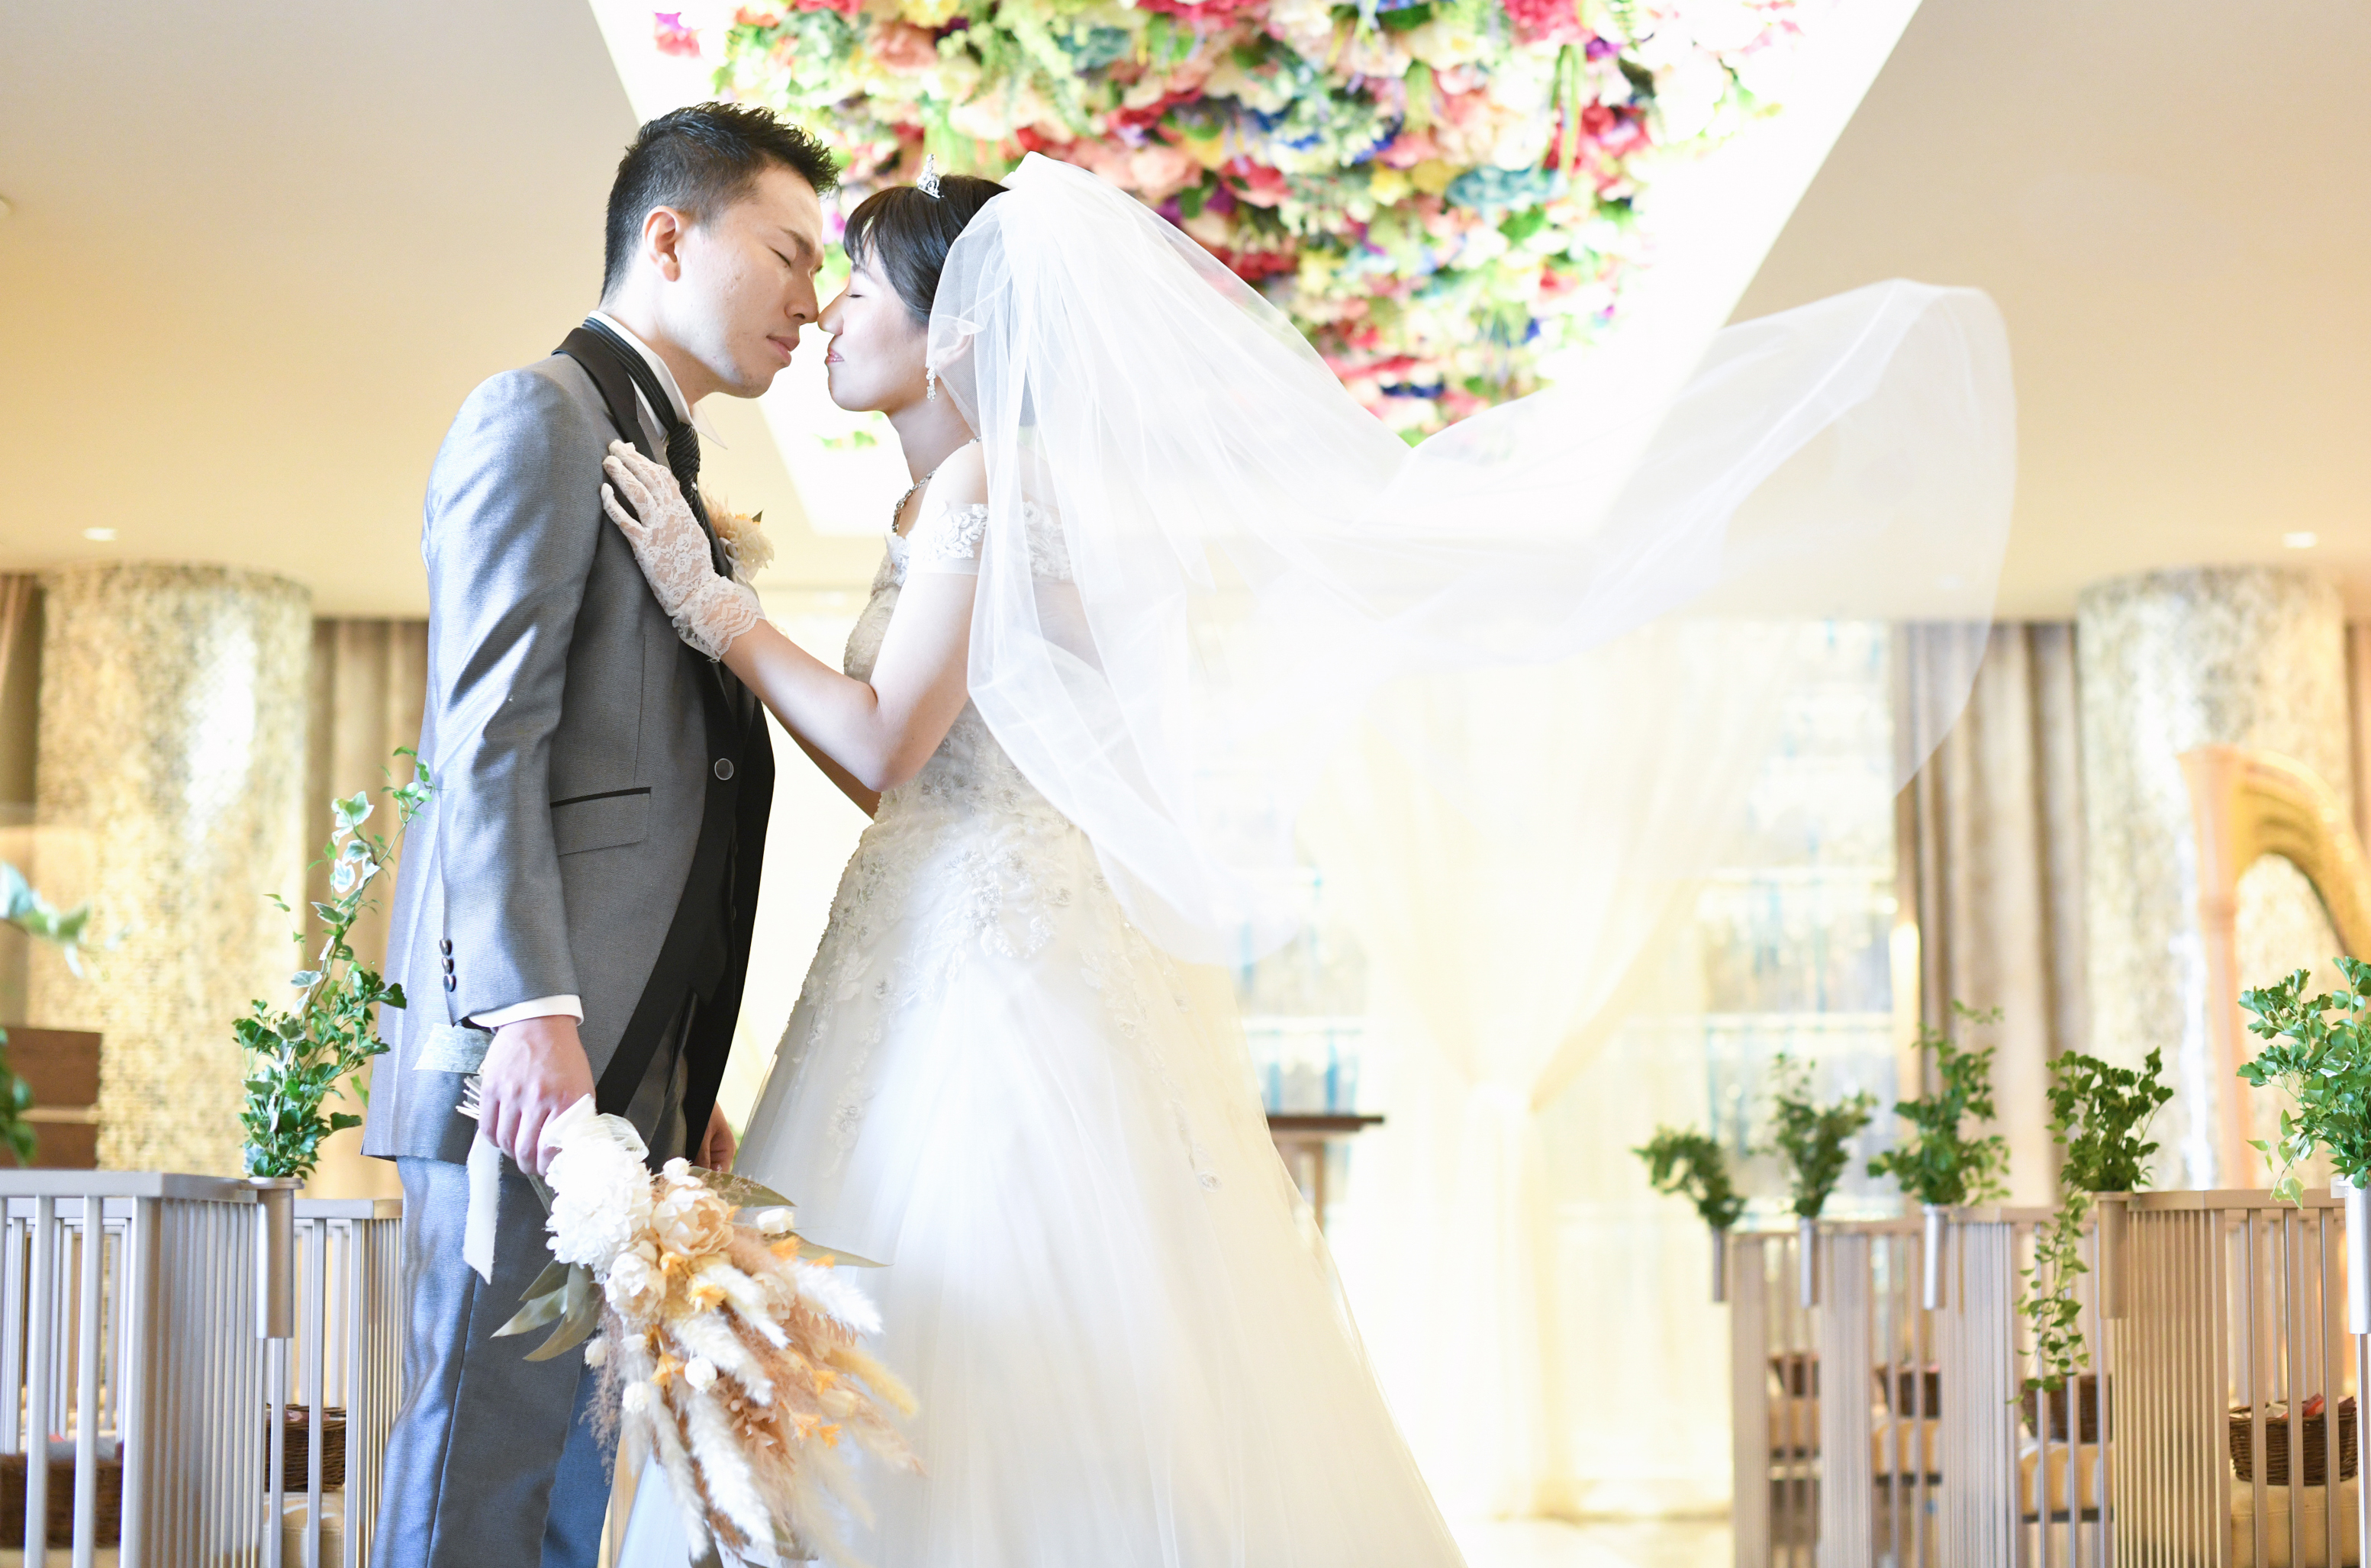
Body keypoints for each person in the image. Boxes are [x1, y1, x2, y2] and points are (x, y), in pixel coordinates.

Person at [601, 153, 2013, 1563]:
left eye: (860, 285)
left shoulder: (988, 479)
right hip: (927, 922)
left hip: (992, 964)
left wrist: (710, 604)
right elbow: (896, 771)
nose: (829, 313)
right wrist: (734, 623)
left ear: (956, 324)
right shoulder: (938, 501)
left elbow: (881, 734)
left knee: (991, 1308)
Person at [362, 102, 834, 1568]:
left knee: (570, 1489)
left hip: (627, 1064)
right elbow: (484, 737)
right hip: (531, 1062)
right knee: (478, 1471)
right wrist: (529, 1013)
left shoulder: (663, 459)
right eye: (790, 254)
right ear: (670, 236)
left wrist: (678, 1064)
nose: (814, 301)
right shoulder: (541, 413)